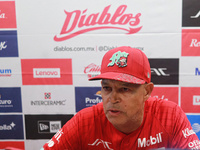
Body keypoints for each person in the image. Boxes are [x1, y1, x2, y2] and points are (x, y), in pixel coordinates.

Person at [41, 46, 200, 150]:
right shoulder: (84, 121)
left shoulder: (169, 115)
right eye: (107, 88)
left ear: (146, 91)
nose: (113, 98)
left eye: (125, 89)